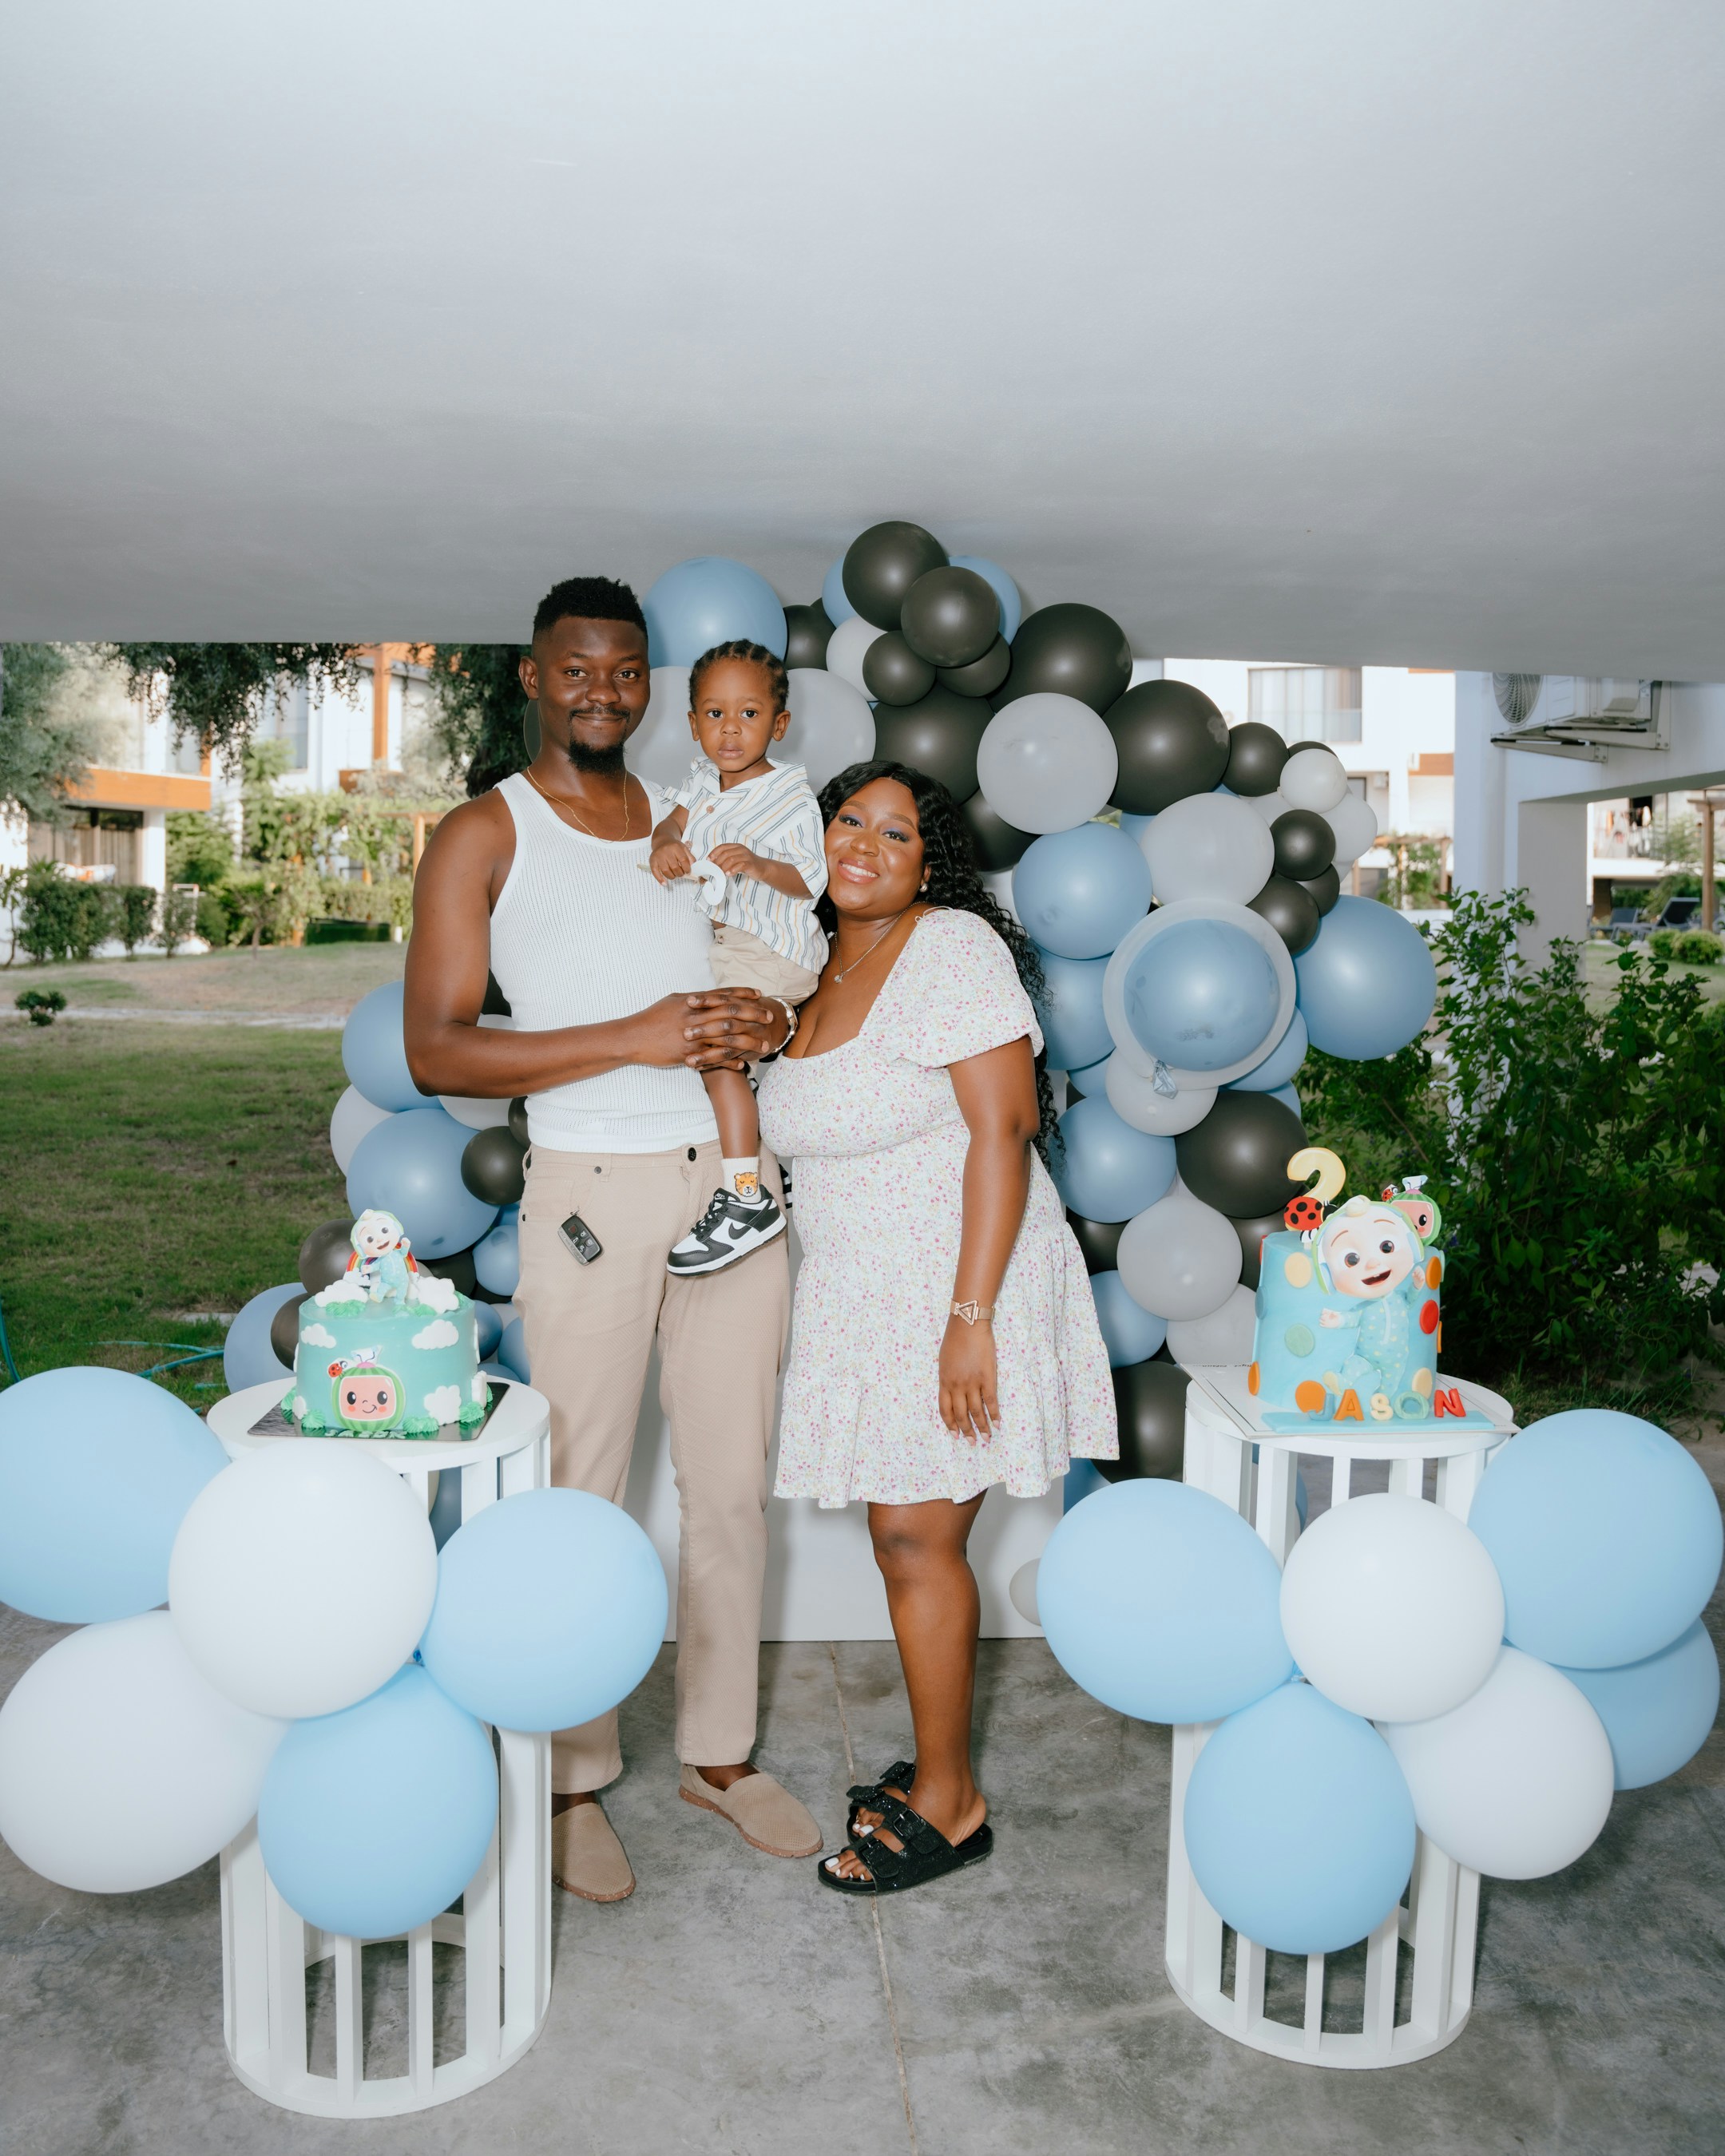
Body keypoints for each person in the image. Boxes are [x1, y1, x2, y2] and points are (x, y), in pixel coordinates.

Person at [402, 574, 822, 1903]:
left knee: (732, 1483)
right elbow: (437, 1047)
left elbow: (752, 974)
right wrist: (632, 1038)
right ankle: (571, 1776)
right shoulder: (485, 832)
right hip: (585, 1185)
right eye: (576, 671)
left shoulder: (687, 818)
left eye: (625, 672)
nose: (603, 692)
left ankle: (717, 1755)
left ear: (649, 684)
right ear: (533, 679)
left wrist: (763, 1029)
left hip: (726, 1173)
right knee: (578, 1494)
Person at [755, 759, 1117, 1894]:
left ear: (930, 864)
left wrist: (973, 1323)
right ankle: (939, 1772)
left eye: (896, 834)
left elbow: (1003, 1136)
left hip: (963, 1284)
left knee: (918, 1540)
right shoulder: (808, 965)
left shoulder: (947, 949)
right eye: (847, 821)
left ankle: (951, 1804)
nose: (864, 843)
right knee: (901, 1539)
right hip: (861, 1291)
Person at [648, 640, 827, 1277]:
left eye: (748, 714)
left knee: (716, 1053)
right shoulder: (699, 784)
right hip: (728, 945)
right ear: (694, 723)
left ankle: (748, 1197)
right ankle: (775, 1160)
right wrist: (663, 845)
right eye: (715, 714)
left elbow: (811, 879)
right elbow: (669, 827)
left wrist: (756, 864)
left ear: (777, 725)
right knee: (713, 1049)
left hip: (771, 949)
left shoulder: (787, 796)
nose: (731, 729)